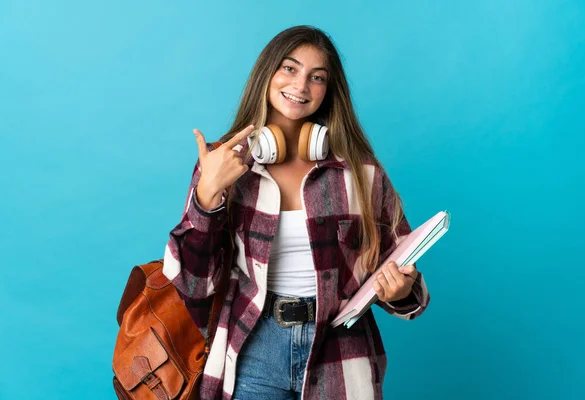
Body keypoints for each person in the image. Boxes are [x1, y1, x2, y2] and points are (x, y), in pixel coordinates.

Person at [163, 25, 430, 400]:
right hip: (253, 347)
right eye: (289, 68)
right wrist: (207, 196)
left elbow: (407, 274)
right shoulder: (223, 164)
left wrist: (401, 290)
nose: (301, 86)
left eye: (316, 77)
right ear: (267, 73)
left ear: (328, 91)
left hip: (341, 348)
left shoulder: (362, 172)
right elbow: (192, 285)